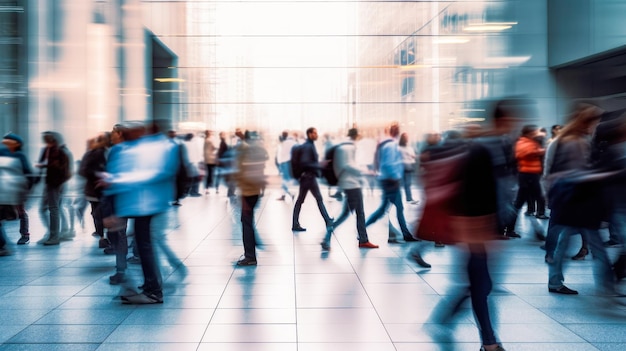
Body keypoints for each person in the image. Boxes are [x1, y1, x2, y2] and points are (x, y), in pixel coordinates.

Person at [425, 131, 507, 351]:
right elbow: (479, 198)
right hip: (475, 232)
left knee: (478, 286)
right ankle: (489, 342)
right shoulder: (479, 155)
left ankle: (451, 321)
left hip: (474, 232)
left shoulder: (473, 155)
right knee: (480, 287)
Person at [99, 120, 179, 304]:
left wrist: (118, 180)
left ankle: (154, 290)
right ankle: (151, 285)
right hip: (141, 205)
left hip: (149, 205)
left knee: (146, 246)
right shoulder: (138, 148)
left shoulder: (161, 147)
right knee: (144, 247)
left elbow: (156, 174)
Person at [544, 103, 612, 295]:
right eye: (596, 120)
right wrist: (604, 174)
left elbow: (551, 170)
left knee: (564, 241)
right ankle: (608, 286)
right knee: (594, 244)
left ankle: (555, 281)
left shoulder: (564, 139)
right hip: (578, 200)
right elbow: (578, 173)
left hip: (570, 199)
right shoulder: (578, 141)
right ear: (588, 121)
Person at [322, 128, 378, 250]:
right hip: (351, 185)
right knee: (346, 214)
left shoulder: (344, 146)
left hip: (351, 184)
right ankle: (327, 236)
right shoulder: (348, 147)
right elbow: (348, 165)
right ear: (356, 135)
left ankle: (363, 239)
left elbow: (346, 165)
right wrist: (365, 171)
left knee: (359, 213)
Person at [365, 122, 420, 244]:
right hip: (390, 181)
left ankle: (406, 234)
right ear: (392, 131)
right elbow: (388, 164)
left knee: (397, 208)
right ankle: (362, 230)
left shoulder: (387, 143)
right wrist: (396, 177)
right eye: (396, 129)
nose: (398, 130)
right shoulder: (390, 145)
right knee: (383, 209)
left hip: (389, 180)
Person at [234, 130, 268, 266]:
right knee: (247, 221)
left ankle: (250, 256)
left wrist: (242, 198)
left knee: (246, 222)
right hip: (255, 191)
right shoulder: (258, 151)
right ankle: (254, 245)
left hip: (248, 192)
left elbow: (241, 174)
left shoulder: (244, 152)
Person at [291, 127, 333, 232]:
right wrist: (320, 165)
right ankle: (327, 220)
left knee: (302, 200)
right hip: (308, 178)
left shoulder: (310, 145)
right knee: (316, 199)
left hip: (307, 177)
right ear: (309, 134)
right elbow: (306, 163)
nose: (316, 135)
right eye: (314, 133)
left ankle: (295, 223)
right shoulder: (308, 146)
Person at [37, 131, 73, 246]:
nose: (47, 142)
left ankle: (54, 235)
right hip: (52, 183)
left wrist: (46, 166)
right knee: (50, 208)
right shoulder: (49, 150)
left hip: (56, 183)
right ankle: (55, 233)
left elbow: (64, 169)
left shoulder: (61, 151)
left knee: (54, 209)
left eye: (48, 139)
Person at [1, 133, 35, 245]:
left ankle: (25, 234)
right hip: (4, 187)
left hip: (16, 188)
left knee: (20, 211)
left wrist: (26, 189)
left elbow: (27, 172)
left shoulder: (20, 155)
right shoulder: (3, 153)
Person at [513, 125, 549, 225]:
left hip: (531, 174)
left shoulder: (530, 141)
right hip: (527, 174)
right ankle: (508, 226)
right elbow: (521, 154)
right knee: (520, 201)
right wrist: (540, 151)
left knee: (534, 197)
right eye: (535, 132)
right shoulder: (523, 142)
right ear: (529, 133)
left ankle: (539, 213)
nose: (537, 134)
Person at [276, 130, 296, 201]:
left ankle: (290, 193)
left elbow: (281, 154)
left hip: (284, 162)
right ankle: (284, 195)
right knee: (285, 179)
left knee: (285, 180)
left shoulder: (286, 143)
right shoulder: (290, 142)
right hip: (286, 162)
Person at [398, 132, 418, 203]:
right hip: (407, 166)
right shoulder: (409, 148)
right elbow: (413, 156)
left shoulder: (398, 148)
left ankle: (399, 199)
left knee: (400, 184)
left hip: (400, 166)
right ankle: (409, 198)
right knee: (407, 183)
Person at [203, 130, 218, 194]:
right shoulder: (211, 140)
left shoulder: (204, 139)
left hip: (207, 159)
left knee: (209, 174)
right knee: (212, 174)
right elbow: (215, 147)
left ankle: (207, 188)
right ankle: (213, 188)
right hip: (212, 158)